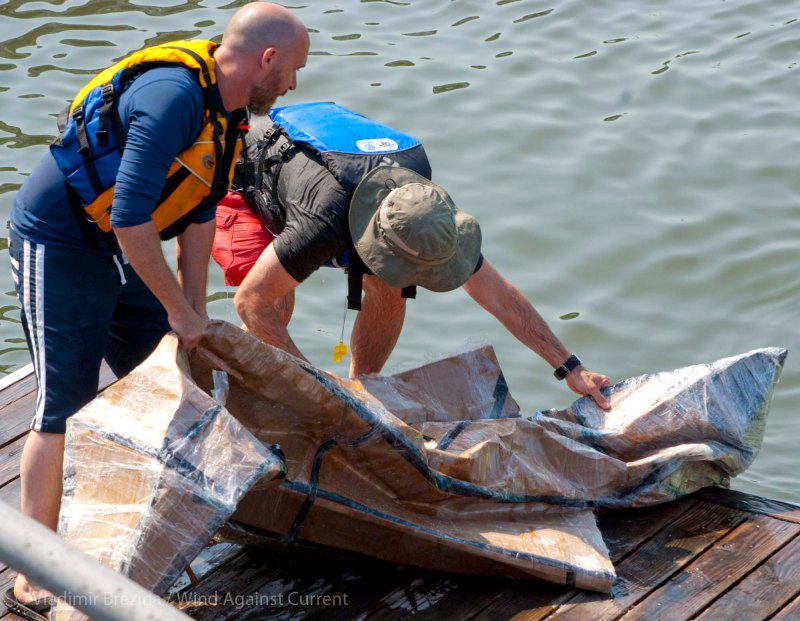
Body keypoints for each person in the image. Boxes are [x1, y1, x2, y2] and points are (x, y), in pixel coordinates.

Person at [4, 3, 309, 616]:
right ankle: (32, 573)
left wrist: (191, 312)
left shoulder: (227, 115)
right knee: (59, 403)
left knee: (181, 376)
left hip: (125, 250)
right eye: (294, 70)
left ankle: (184, 515)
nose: (294, 84)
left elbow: (199, 214)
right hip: (62, 245)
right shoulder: (173, 97)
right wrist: (174, 304)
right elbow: (129, 218)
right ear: (266, 59)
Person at [212, 102, 611, 409]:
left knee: (391, 289)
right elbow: (252, 301)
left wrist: (571, 368)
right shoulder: (322, 223)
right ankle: (237, 391)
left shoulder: (423, 211)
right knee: (273, 309)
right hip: (248, 174)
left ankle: (363, 390)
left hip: (336, 170)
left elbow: (498, 295)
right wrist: (318, 390)